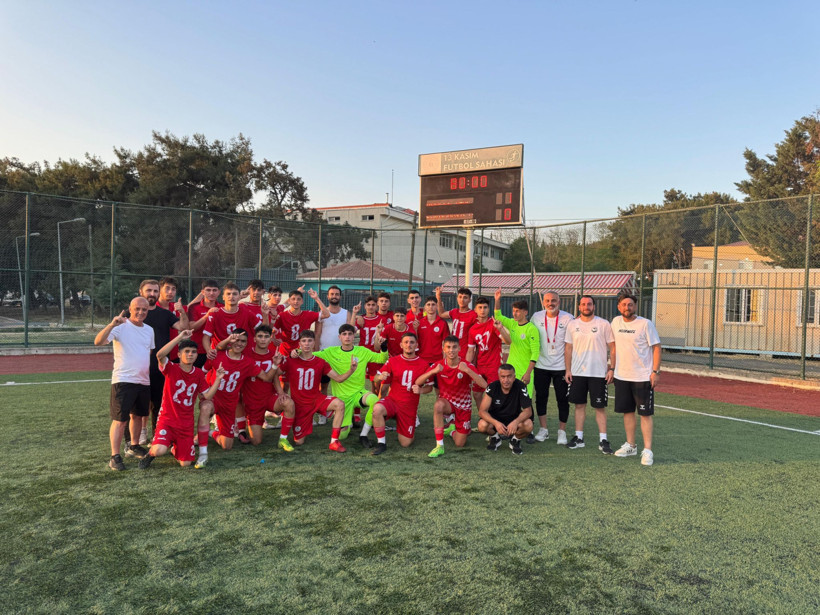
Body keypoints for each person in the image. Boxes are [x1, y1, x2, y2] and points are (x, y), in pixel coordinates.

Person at [138, 331, 225, 469]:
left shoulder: (198, 374)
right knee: (159, 450)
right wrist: (179, 338)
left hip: (185, 423)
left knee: (185, 464)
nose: (190, 354)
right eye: (187, 351)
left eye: (193, 352)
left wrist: (218, 379)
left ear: (197, 355)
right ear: (179, 354)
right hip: (167, 420)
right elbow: (159, 355)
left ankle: (174, 448)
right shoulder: (171, 368)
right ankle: (150, 454)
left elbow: (207, 396)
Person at [94, 297, 154, 470]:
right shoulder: (120, 326)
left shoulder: (149, 330)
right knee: (120, 420)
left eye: (144, 309)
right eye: (137, 309)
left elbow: (148, 351)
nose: (141, 312)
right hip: (123, 380)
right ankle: (115, 455)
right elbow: (98, 342)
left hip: (143, 381)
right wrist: (112, 324)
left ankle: (133, 446)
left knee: (137, 416)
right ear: (130, 308)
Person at [277, 330, 356, 451]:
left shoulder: (320, 362)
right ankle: (309, 421)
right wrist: (281, 393)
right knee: (299, 442)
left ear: (314, 343)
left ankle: (334, 442)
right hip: (300, 405)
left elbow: (339, 379)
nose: (307, 344)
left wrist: (351, 370)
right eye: (304, 341)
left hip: (316, 399)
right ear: (299, 343)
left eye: (310, 341)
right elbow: (274, 375)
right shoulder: (291, 360)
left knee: (339, 404)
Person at [204, 329, 277, 457]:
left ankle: (212, 433)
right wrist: (202, 392)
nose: (239, 343)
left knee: (227, 446)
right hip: (214, 398)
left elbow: (266, 377)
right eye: (236, 340)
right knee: (205, 407)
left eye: (243, 341)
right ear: (230, 341)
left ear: (247, 343)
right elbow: (201, 372)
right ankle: (198, 437)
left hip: (229, 403)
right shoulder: (218, 354)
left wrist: (275, 365)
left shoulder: (248, 362)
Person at [610, 291, 662, 467]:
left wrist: (655, 371)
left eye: (630, 304)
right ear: (619, 307)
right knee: (627, 412)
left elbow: (656, 347)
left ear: (635, 306)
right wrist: (612, 368)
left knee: (645, 414)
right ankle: (631, 445)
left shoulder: (645, 324)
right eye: (624, 305)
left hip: (642, 377)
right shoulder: (615, 322)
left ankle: (647, 450)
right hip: (621, 376)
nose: (627, 307)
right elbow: (614, 348)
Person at [313, 323, 387, 441]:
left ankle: (363, 434)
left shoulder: (363, 351)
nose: (347, 337)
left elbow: (381, 359)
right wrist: (297, 352)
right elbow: (311, 356)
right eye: (344, 334)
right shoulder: (330, 352)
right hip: (342, 400)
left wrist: (384, 347)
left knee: (375, 401)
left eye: (350, 334)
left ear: (354, 336)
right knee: (342, 436)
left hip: (358, 393)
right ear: (339, 337)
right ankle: (344, 418)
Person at [136, 279, 189, 445]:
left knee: (159, 402)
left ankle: (158, 434)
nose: (152, 294)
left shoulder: (165, 314)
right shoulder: (135, 313)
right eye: (149, 291)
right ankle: (140, 433)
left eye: (155, 291)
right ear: (141, 292)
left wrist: (182, 312)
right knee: (140, 404)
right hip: (138, 366)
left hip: (160, 365)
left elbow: (183, 327)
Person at [415, 336, 487, 458]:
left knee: (460, 443)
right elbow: (418, 382)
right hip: (447, 403)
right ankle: (439, 446)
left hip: (463, 406)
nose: (451, 350)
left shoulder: (466, 365)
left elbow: (484, 385)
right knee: (438, 405)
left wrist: (468, 371)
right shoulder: (439, 365)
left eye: (454, 347)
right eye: (448, 347)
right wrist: (432, 372)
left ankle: (452, 429)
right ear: (443, 349)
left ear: (459, 348)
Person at [363, 332, 433, 455]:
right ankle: (381, 443)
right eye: (406, 342)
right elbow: (375, 379)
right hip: (393, 401)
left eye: (412, 342)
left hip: (408, 406)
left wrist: (421, 390)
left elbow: (429, 388)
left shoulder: (423, 364)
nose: (408, 345)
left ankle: (403, 425)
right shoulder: (393, 361)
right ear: (401, 345)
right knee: (377, 408)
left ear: (416, 345)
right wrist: (380, 377)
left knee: (406, 443)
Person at [564, 295, 615, 454]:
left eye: (589, 304)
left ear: (594, 306)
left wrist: (612, 368)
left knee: (599, 407)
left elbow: (613, 347)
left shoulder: (603, 324)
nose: (586, 306)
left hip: (598, 373)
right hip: (578, 373)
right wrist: (568, 370)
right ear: (579, 307)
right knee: (579, 405)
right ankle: (579, 438)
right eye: (583, 304)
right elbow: (568, 349)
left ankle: (603, 440)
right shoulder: (572, 325)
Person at [530, 291, 573, 444]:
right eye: (547, 300)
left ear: (559, 302)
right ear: (543, 303)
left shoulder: (568, 318)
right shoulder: (536, 317)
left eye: (553, 300)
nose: (550, 303)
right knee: (541, 398)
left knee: (563, 399)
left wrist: (569, 369)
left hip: (561, 367)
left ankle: (562, 431)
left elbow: (570, 345)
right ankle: (543, 430)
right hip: (541, 366)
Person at [238, 325, 287, 446]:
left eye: (266, 337)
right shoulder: (246, 354)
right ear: (254, 339)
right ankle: (239, 427)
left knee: (288, 403)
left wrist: (281, 392)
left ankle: (284, 438)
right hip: (252, 400)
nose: (263, 339)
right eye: (260, 336)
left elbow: (275, 375)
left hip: (269, 397)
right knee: (256, 441)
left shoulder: (273, 354)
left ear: (270, 339)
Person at [477, 364, 534, 455]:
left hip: (513, 420)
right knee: (482, 425)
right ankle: (495, 438)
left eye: (509, 376)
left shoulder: (521, 386)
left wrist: (515, 422)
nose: (506, 380)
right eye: (503, 377)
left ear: (514, 377)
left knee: (529, 425)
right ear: (499, 377)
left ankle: (515, 440)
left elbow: (528, 411)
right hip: (496, 421)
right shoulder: (492, 387)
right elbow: (482, 411)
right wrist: (496, 423)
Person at [493, 289, 539, 399]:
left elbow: (535, 353)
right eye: (513, 311)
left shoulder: (531, 329)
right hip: (511, 370)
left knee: (525, 400)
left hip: (524, 371)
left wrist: (528, 373)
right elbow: (498, 316)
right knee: (510, 399)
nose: (514, 313)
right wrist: (497, 300)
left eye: (517, 311)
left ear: (525, 312)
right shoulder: (512, 324)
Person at [465, 296, 511, 407]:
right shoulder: (472, 329)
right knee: (476, 393)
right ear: (475, 310)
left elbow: (508, 341)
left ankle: (495, 417)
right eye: (480, 307)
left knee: (494, 394)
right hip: (480, 365)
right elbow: (471, 350)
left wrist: (500, 328)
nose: (482, 310)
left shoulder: (494, 324)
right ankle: (484, 416)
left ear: (488, 309)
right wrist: (466, 366)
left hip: (494, 366)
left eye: (485, 307)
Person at [201, 282, 257, 357]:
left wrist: (265, 315)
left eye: (234, 294)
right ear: (223, 297)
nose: (231, 296)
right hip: (220, 354)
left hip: (241, 355)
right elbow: (206, 337)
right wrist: (208, 350)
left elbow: (262, 330)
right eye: (228, 294)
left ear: (239, 296)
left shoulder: (247, 312)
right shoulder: (215, 313)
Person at [275, 288, 331, 357]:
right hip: (284, 353)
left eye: (298, 299)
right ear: (289, 301)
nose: (296, 301)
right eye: (293, 299)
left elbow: (326, 314)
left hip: (301, 353)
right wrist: (274, 338)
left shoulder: (308, 315)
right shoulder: (282, 315)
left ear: (302, 301)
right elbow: (273, 330)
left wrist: (316, 299)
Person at [187, 279, 222, 367]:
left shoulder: (223, 307)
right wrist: (207, 315)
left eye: (214, 290)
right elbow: (192, 328)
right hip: (198, 351)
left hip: (217, 351)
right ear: (202, 292)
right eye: (208, 290)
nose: (211, 293)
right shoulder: (194, 307)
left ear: (219, 292)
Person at [436, 286, 477, 360]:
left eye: (465, 297)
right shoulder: (454, 312)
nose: (462, 300)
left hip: (465, 352)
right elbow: (441, 314)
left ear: (469, 300)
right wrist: (438, 297)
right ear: (457, 298)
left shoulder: (473, 315)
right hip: (452, 350)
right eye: (460, 297)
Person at [315, 285, 352, 351]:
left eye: (337, 294)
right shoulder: (321, 314)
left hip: (341, 352)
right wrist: (316, 352)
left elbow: (350, 334)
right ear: (327, 296)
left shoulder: (347, 313)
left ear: (340, 297)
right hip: (324, 351)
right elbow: (317, 335)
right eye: (332, 294)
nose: (334, 296)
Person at [416, 295, 449, 366]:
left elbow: (446, 343)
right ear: (425, 307)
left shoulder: (442, 323)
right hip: (422, 359)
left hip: (438, 359)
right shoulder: (419, 323)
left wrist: (445, 359)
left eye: (433, 304)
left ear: (437, 307)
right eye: (428, 304)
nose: (431, 307)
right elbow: (415, 340)